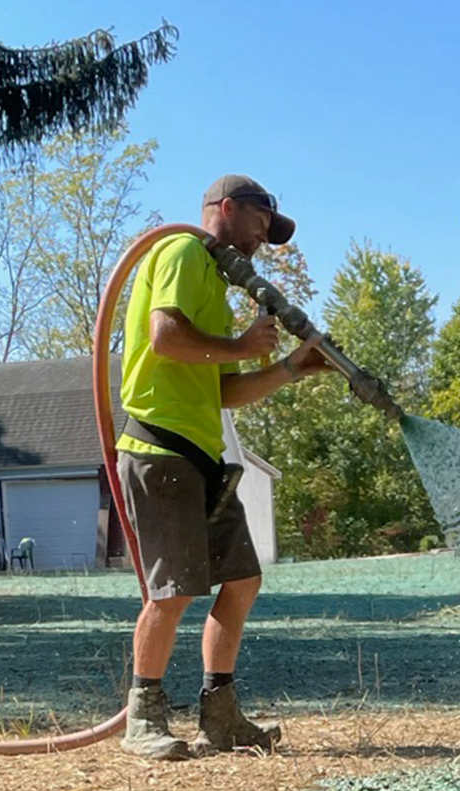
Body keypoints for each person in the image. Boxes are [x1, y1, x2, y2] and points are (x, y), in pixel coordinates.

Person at [114, 174, 327, 760]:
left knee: (242, 579)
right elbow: (166, 339)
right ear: (226, 209)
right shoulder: (182, 250)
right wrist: (240, 345)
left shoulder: (214, 277)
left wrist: (288, 367)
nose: (263, 237)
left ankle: (221, 714)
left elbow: (221, 392)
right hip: (160, 450)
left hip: (203, 454)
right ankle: (143, 718)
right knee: (172, 592)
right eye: (260, 222)